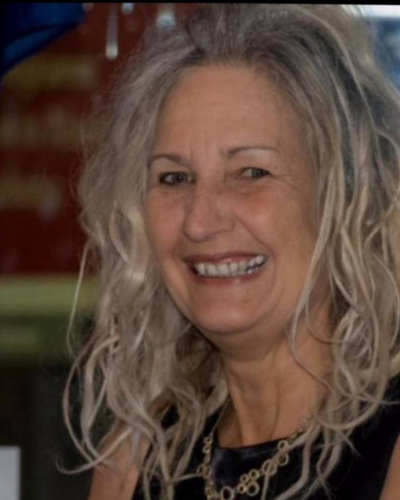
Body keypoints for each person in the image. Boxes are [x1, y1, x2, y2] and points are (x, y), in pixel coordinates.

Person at [64, 4, 400, 500]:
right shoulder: (133, 458)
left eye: (251, 173)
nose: (200, 221)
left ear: (345, 195)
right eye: (174, 178)